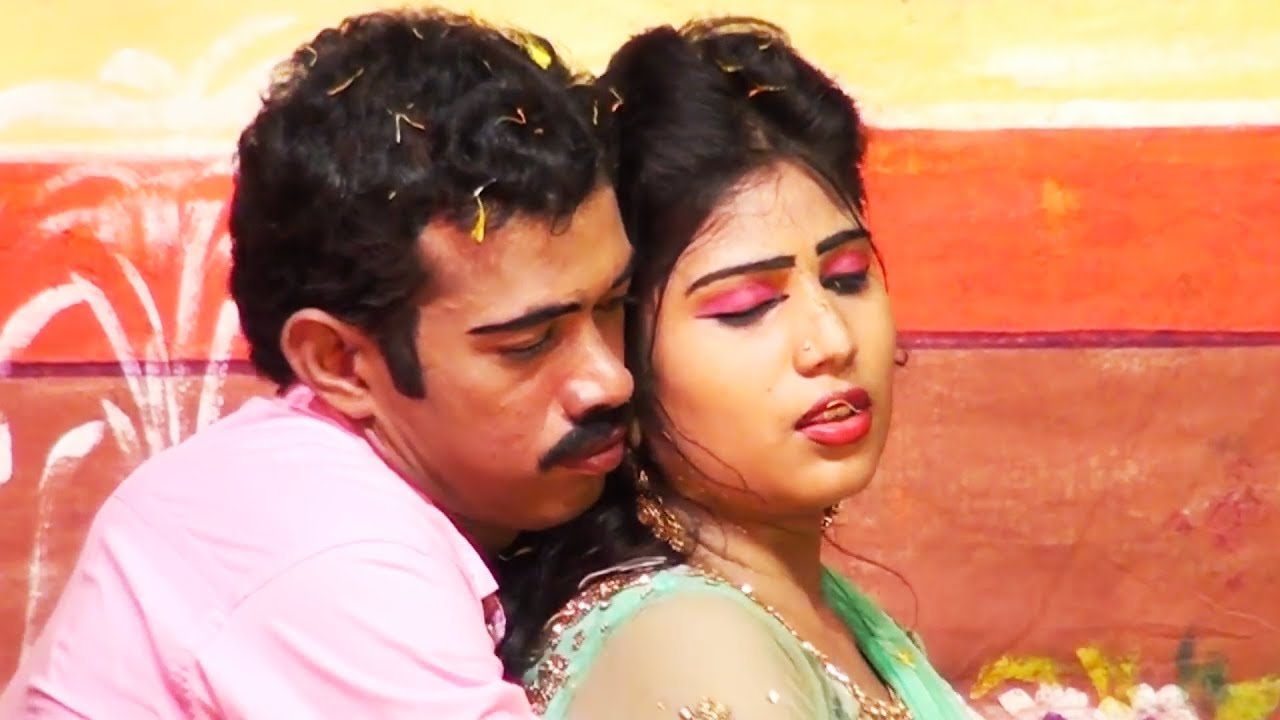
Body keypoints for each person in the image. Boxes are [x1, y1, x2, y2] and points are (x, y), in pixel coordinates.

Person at [1, 8, 632, 718]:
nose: (610, 380)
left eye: (617, 304)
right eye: (529, 343)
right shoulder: (327, 543)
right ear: (339, 364)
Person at [497, 18, 976, 720]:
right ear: (620, 359)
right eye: (747, 307)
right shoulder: (691, 644)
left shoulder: (813, 605)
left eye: (846, 277)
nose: (830, 340)